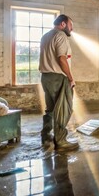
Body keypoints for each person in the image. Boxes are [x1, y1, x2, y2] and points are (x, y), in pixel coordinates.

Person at [39, 14, 78, 151]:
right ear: (63, 24)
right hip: (58, 77)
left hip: (45, 77)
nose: (71, 29)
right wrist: (70, 78)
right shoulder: (60, 35)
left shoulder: (46, 36)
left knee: (50, 108)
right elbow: (62, 59)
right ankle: (61, 141)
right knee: (63, 109)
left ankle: (46, 135)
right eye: (70, 26)